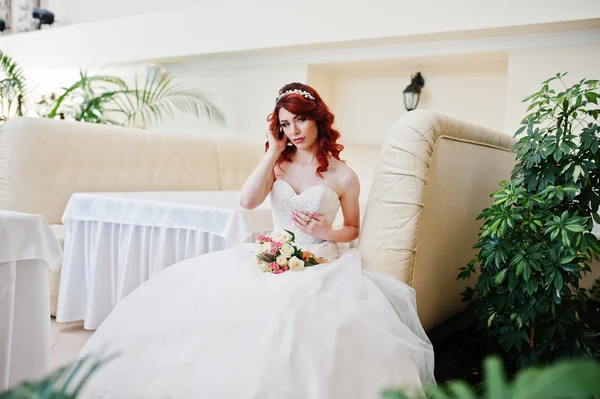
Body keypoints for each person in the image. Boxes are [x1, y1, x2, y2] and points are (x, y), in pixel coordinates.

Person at [75, 83, 435, 399]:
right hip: (271, 255)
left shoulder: (344, 176)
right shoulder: (278, 164)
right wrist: (273, 151)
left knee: (295, 321)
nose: (293, 130)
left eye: (299, 120)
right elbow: (247, 201)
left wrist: (327, 232)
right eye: (284, 124)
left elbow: (353, 228)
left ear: (318, 119)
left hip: (321, 262)